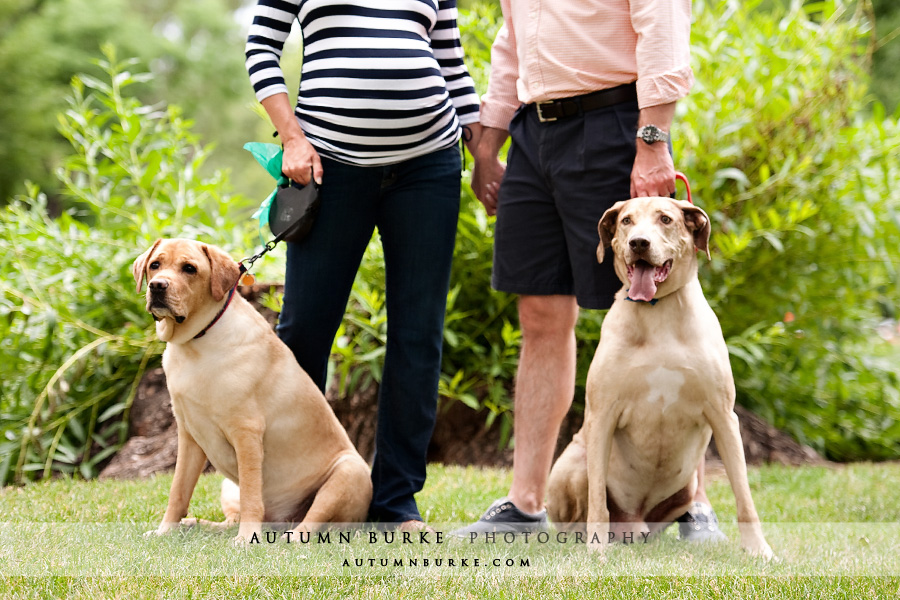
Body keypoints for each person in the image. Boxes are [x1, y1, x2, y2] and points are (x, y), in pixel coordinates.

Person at [455, 0, 725, 540]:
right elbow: (510, 45)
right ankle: (525, 504)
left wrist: (653, 142)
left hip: (615, 123)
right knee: (538, 312)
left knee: (653, 306)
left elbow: (662, 24)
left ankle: (691, 503)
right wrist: (489, 142)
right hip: (534, 134)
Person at [245, 0, 482, 530]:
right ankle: (293, 492)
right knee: (304, 330)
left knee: (418, 335)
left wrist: (484, 152)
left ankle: (396, 502)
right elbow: (260, 47)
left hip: (430, 164)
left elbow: (450, 60)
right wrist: (292, 137)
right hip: (328, 167)